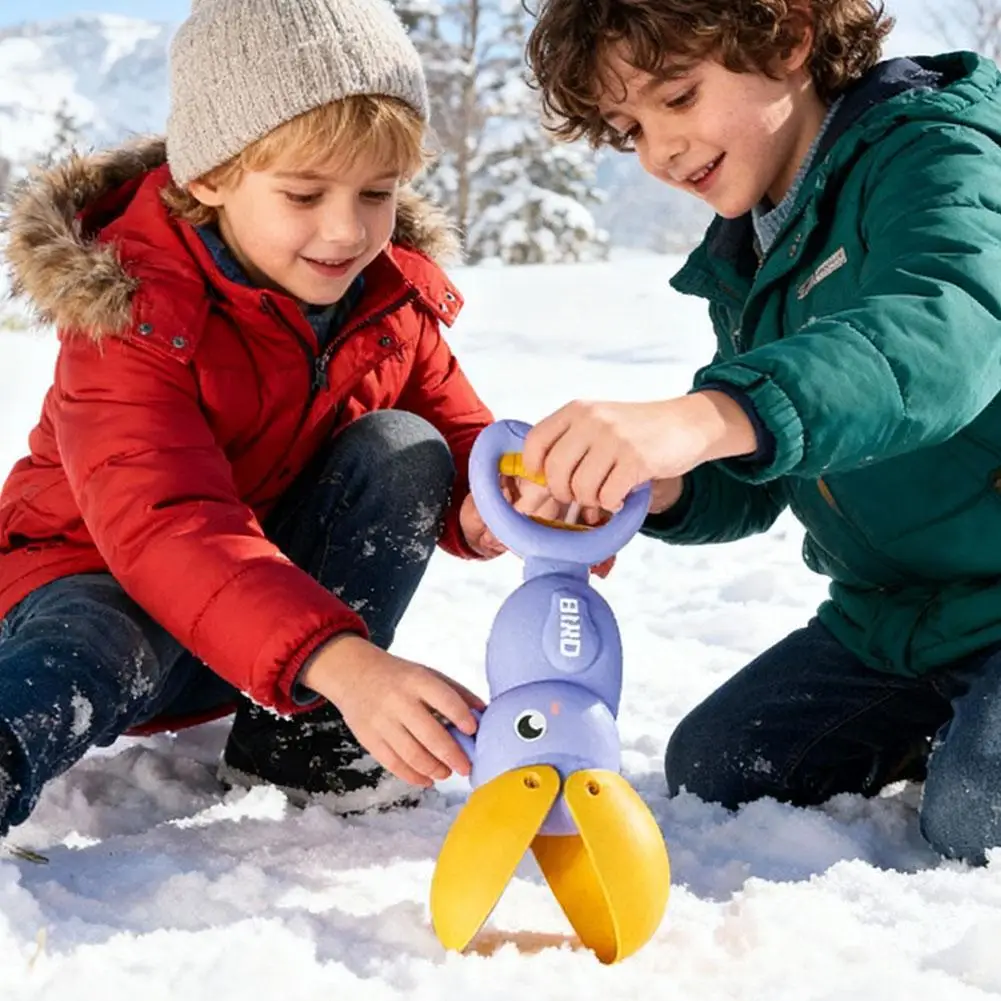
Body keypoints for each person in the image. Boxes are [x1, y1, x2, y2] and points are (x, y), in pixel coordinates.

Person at [0, 0, 516, 838]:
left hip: (270, 643)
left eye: (376, 192)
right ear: (210, 176)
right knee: (98, 639)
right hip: (98, 592)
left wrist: (503, 500)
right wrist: (345, 662)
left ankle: (302, 742)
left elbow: (459, 439)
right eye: (304, 193)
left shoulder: (386, 299)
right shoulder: (135, 314)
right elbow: (168, 526)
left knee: (401, 447)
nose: (346, 229)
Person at [522, 0, 1001, 863]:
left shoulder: (936, 153)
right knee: (720, 767)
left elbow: (943, 337)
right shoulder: (751, 253)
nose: (657, 150)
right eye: (628, 126)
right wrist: (658, 480)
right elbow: (761, 464)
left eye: (677, 97)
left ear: (785, 37)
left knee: (974, 815)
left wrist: (704, 416)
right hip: (898, 621)